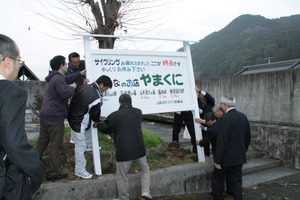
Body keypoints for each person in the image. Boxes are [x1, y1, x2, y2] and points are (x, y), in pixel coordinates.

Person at [0, 34, 43, 199]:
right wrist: (36, 170)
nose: (19, 66)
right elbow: (14, 144)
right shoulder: (11, 93)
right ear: (8, 62)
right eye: (19, 61)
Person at [35, 55, 86, 181]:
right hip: (54, 118)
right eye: (65, 64)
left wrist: (79, 74)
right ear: (61, 66)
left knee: (42, 142)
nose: (67, 66)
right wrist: (73, 87)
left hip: (45, 115)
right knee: (55, 146)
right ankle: (52, 173)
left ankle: (31, 166)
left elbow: (66, 78)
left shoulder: (54, 77)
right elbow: (66, 93)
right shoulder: (58, 79)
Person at [93, 94, 152, 200]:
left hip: (124, 151)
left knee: (122, 176)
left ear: (120, 103)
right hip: (139, 148)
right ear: (131, 101)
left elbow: (106, 128)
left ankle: (124, 198)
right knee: (145, 169)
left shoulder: (116, 115)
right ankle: (146, 193)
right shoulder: (138, 112)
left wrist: (98, 124)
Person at [67, 75, 112, 179]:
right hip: (78, 121)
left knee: (84, 134)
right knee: (80, 146)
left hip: (72, 116)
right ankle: (79, 170)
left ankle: (88, 145)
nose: (106, 91)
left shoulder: (85, 86)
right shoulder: (95, 97)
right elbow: (95, 115)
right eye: (106, 88)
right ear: (101, 85)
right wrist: (98, 122)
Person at [212, 94, 251, 200]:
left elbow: (222, 141)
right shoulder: (243, 116)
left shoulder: (224, 119)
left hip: (225, 158)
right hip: (239, 156)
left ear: (224, 105)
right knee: (237, 183)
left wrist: (218, 160)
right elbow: (247, 137)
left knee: (217, 180)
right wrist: (243, 151)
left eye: (221, 104)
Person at [197, 89, 215, 156]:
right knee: (205, 141)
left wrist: (199, 91)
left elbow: (208, 113)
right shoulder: (198, 103)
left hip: (211, 125)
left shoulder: (211, 102)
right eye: (199, 95)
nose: (200, 96)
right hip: (202, 125)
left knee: (214, 141)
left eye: (202, 95)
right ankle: (206, 154)